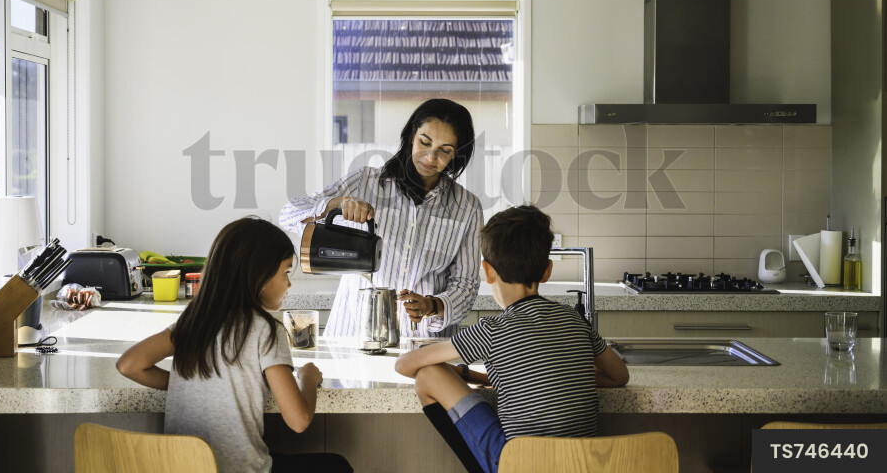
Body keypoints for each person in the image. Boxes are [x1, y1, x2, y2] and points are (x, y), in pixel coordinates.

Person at [394, 205, 629, 473]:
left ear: (488, 271)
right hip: (581, 465)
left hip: (519, 465)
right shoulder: (574, 320)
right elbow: (619, 375)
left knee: (428, 376)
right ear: (547, 270)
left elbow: (405, 365)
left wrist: (461, 373)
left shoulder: (493, 330)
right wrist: (486, 378)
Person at [116, 217, 352, 473]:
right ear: (258, 275)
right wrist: (307, 377)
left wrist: (193, 386)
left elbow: (129, 365)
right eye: (285, 272)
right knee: (337, 466)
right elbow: (298, 420)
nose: (289, 283)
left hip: (183, 467)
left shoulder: (193, 322)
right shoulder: (267, 330)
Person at [280, 98, 483, 338]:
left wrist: (432, 306)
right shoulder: (365, 182)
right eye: (424, 142)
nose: (430, 157)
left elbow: (466, 286)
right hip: (353, 337)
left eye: (444, 151)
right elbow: (288, 215)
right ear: (411, 135)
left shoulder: (467, 207)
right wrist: (336, 203)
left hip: (422, 345)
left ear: (456, 155)